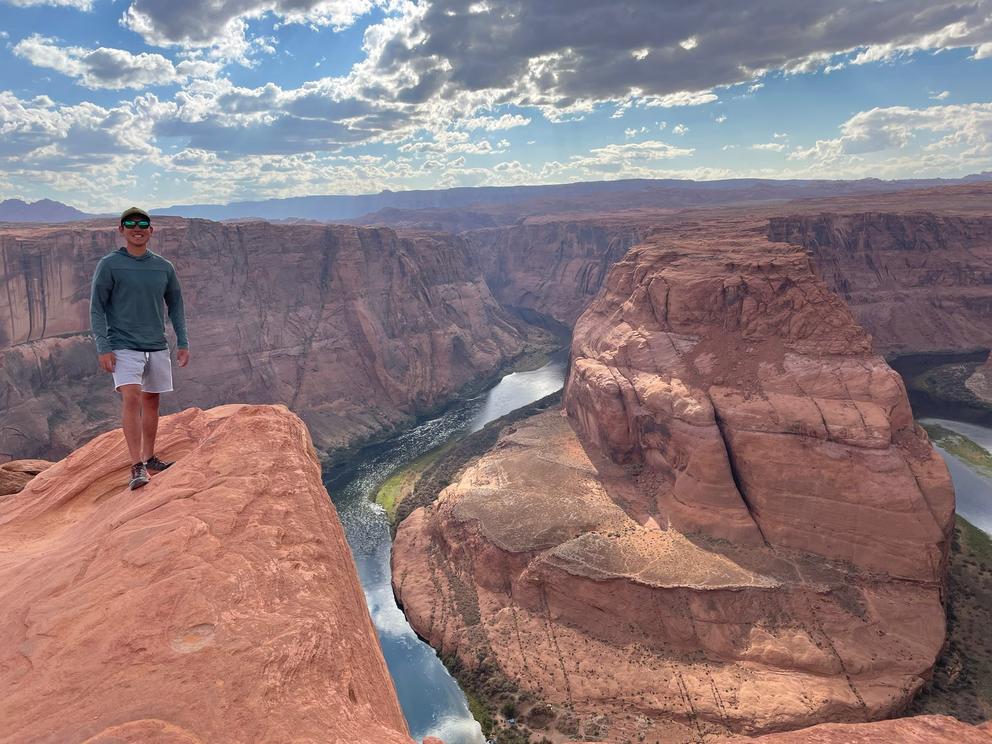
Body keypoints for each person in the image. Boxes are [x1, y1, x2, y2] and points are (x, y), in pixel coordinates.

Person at [90, 207, 190, 490]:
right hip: (122, 344)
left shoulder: (163, 267)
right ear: (121, 230)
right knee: (131, 397)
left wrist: (182, 341)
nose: (137, 227)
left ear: (151, 230)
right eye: (130, 223)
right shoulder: (110, 264)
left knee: (152, 401)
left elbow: (176, 305)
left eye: (142, 223)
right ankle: (136, 466)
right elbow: (96, 308)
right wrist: (103, 346)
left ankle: (149, 457)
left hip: (156, 345)